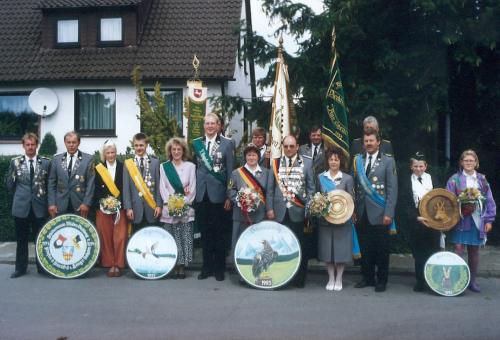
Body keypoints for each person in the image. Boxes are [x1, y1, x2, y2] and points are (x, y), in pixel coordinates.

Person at [266, 135, 315, 288]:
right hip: (279, 213)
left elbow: (311, 188)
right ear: (282, 147)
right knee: (280, 247)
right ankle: (282, 277)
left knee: (300, 246)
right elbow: (270, 190)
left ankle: (299, 278)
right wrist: (269, 208)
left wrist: (309, 209)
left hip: (298, 212)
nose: (288, 149)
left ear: (297, 146)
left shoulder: (307, 162)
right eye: (286, 146)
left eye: (291, 146)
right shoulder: (275, 163)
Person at [353, 128, 397, 292]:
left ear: (378, 142)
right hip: (361, 211)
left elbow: (392, 190)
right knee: (365, 247)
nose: (369, 143)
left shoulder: (388, 161)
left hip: (380, 212)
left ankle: (382, 280)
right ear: (363, 143)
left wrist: (389, 213)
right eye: (366, 141)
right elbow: (354, 187)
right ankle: (367, 277)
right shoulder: (357, 160)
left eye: (371, 140)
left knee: (381, 249)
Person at [446, 150, 496, 293]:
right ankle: (456, 281)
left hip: (476, 221)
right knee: (458, 250)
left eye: (471, 160)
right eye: (466, 160)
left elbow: (490, 201)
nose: (468, 163)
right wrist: (461, 206)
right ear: (461, 162)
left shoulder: (482, 180)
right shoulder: (454, 179)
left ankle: (472, 281)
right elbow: (447, 200)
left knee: (474, 251)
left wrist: (489, 220)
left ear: (476, 163)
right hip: (460, 220)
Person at [193, 112, 234, 281]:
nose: (209, 126)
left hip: (219, 195)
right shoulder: (197, 144)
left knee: (219, 233)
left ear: (218, 125)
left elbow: (231, 171)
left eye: (212, 123)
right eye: (207, 123)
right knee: (205, 233)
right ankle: (206, 267)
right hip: (202, 195)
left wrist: (229, 196)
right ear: (204, 126)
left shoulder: (227, 144)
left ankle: (219, 268)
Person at [6, 133, 50, 278]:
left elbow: (49, 184)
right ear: (23, 146)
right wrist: (21, 196)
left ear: (37, 145)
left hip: (39, 206)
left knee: (41, 238)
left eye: (33, 144)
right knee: (21, 239)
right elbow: (10, 185)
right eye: (28, 145)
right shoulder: (15, 162)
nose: (30, 147)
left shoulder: (45, 162)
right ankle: (20, 269)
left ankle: (42, 267)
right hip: (21, 207)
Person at [316, 147, 355, 291]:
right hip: (326, 220)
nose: (333, 162)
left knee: (340, 251)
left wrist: (346, 213)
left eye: (336, 159)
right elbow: (317, 197)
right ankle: (331, 278)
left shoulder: (347, 178)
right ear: (327, 161)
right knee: (328, 251)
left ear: (340, 162)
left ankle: (339, 279)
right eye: (331, 159)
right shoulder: (321, 177)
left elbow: (351, 199)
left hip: (342, 221)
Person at [401, 152, 440, 292]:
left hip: (434, 220)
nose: (418, 169)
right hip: (417, 220)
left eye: (421, 166)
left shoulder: (433, 179)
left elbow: (441, 199)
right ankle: (420, 281)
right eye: (416, 166)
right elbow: (405, 203)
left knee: (434, 251)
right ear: (411, 167)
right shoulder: (406, 182)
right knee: (419, 254)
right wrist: (416, 217)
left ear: (426, 166)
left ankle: (434, 281)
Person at [159, 137, 196, 279]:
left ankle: (182, 266)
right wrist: (172, 203)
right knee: (172, 237)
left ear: (183, 150)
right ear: (170, 151)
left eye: (179, 149)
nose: (176, 152)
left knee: (185, 236)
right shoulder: (164, 167)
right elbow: (163, 188)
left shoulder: (191, 167)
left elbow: (192, 188)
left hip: (186, 208)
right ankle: (174, 264)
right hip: (170, 208)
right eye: (173, 149)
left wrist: (183, 203)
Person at [94, 140, 128, 278]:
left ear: (116, 152)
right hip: (103, 207)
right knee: (106, 236)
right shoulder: (98, 168)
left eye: (112, 152)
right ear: (104, 154)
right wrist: (105, 202)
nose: (110, 155)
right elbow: (95, 188)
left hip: (121, 207)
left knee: (120, 237)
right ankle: (110, 264)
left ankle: (119, 264)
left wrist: (118, 203)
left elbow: (126, 187)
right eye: (107, 152)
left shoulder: (123, 167)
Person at [228, 144, 269, 253]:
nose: (251, 158)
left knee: (258, 245)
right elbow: (230, 190)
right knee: (241, 245)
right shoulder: (236, 173)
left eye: (254, 155)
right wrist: (241, 201)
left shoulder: (266, 173)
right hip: (241, 214)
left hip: (259, 215)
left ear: (258, 157)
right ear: (245, 157)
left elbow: (269, 193)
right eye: (249, 155)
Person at [48, 131, 95, 218]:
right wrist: (51, 203)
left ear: (79, 143)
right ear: (65, 143)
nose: (71, 145)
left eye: (74, 142)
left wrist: (86, 203)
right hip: (60, 205)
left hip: (80, 205)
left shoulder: (88, 159)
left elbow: (90, 184)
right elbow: (51, 183)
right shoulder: (56, 159)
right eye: (68, 142)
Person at [123, 133, 162, 230]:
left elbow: (159, 187)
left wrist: (159, 205)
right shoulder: (128, 164)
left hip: (152, 208)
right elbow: (126, 189)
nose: (139, 148)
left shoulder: (155, 162)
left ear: (146, 145)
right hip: (135, 210)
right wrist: (128, 208)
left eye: (141, 145)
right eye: (136, 145)